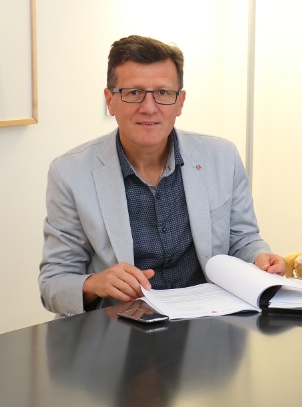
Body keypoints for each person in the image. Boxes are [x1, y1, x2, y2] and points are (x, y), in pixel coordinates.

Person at [39, 35, 284, 316]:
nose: (149, 107)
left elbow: (244, 240)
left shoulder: (222, 157)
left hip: (210, 323)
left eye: (163, 93)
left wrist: (260, 258)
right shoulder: (70, 173)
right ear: (110, 100)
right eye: (133, 92)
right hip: (122, 328)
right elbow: (53, 284)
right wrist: (94, 283)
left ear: (180, 102)